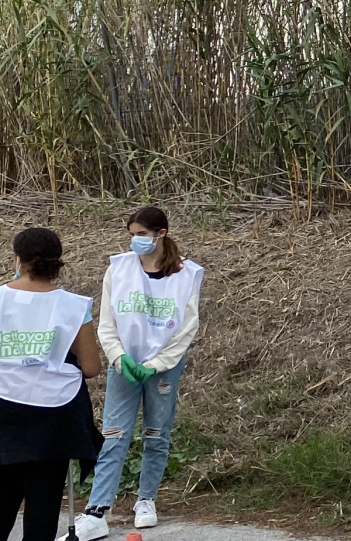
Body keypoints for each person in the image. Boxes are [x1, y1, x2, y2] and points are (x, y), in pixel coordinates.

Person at [0, 228, 106, 541]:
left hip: (3, 404)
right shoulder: (72, 306)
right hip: (55, 408)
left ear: (18, 259)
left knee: (6, 487)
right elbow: (92, 367)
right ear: (57, 263)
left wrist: (9, 362)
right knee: (45, 494)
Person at [71, 207, 207, 540]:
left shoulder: (186, 274)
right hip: (125, 366)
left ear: (161, 233)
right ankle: (97, 509)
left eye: (143, 234)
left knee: (156, 434)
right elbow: (106, 322)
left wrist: (156, 364)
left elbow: (187, 328)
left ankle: (146, 500)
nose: (136, 240)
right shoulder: (118, 269)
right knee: (115, 434)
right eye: (132, 233)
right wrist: (119, 358)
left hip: (163, 367)